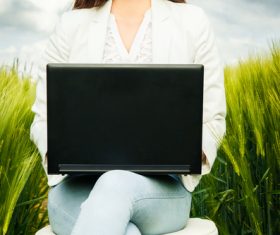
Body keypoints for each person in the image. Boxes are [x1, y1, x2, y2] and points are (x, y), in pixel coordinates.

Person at [30, 0, 226, 234]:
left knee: (115, 184)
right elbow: (42, 119)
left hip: (162, 191)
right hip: (76, 190)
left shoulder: (193, 21)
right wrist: (64, 150)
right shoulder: (71, 25)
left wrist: (184, 150)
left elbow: (213, 120)